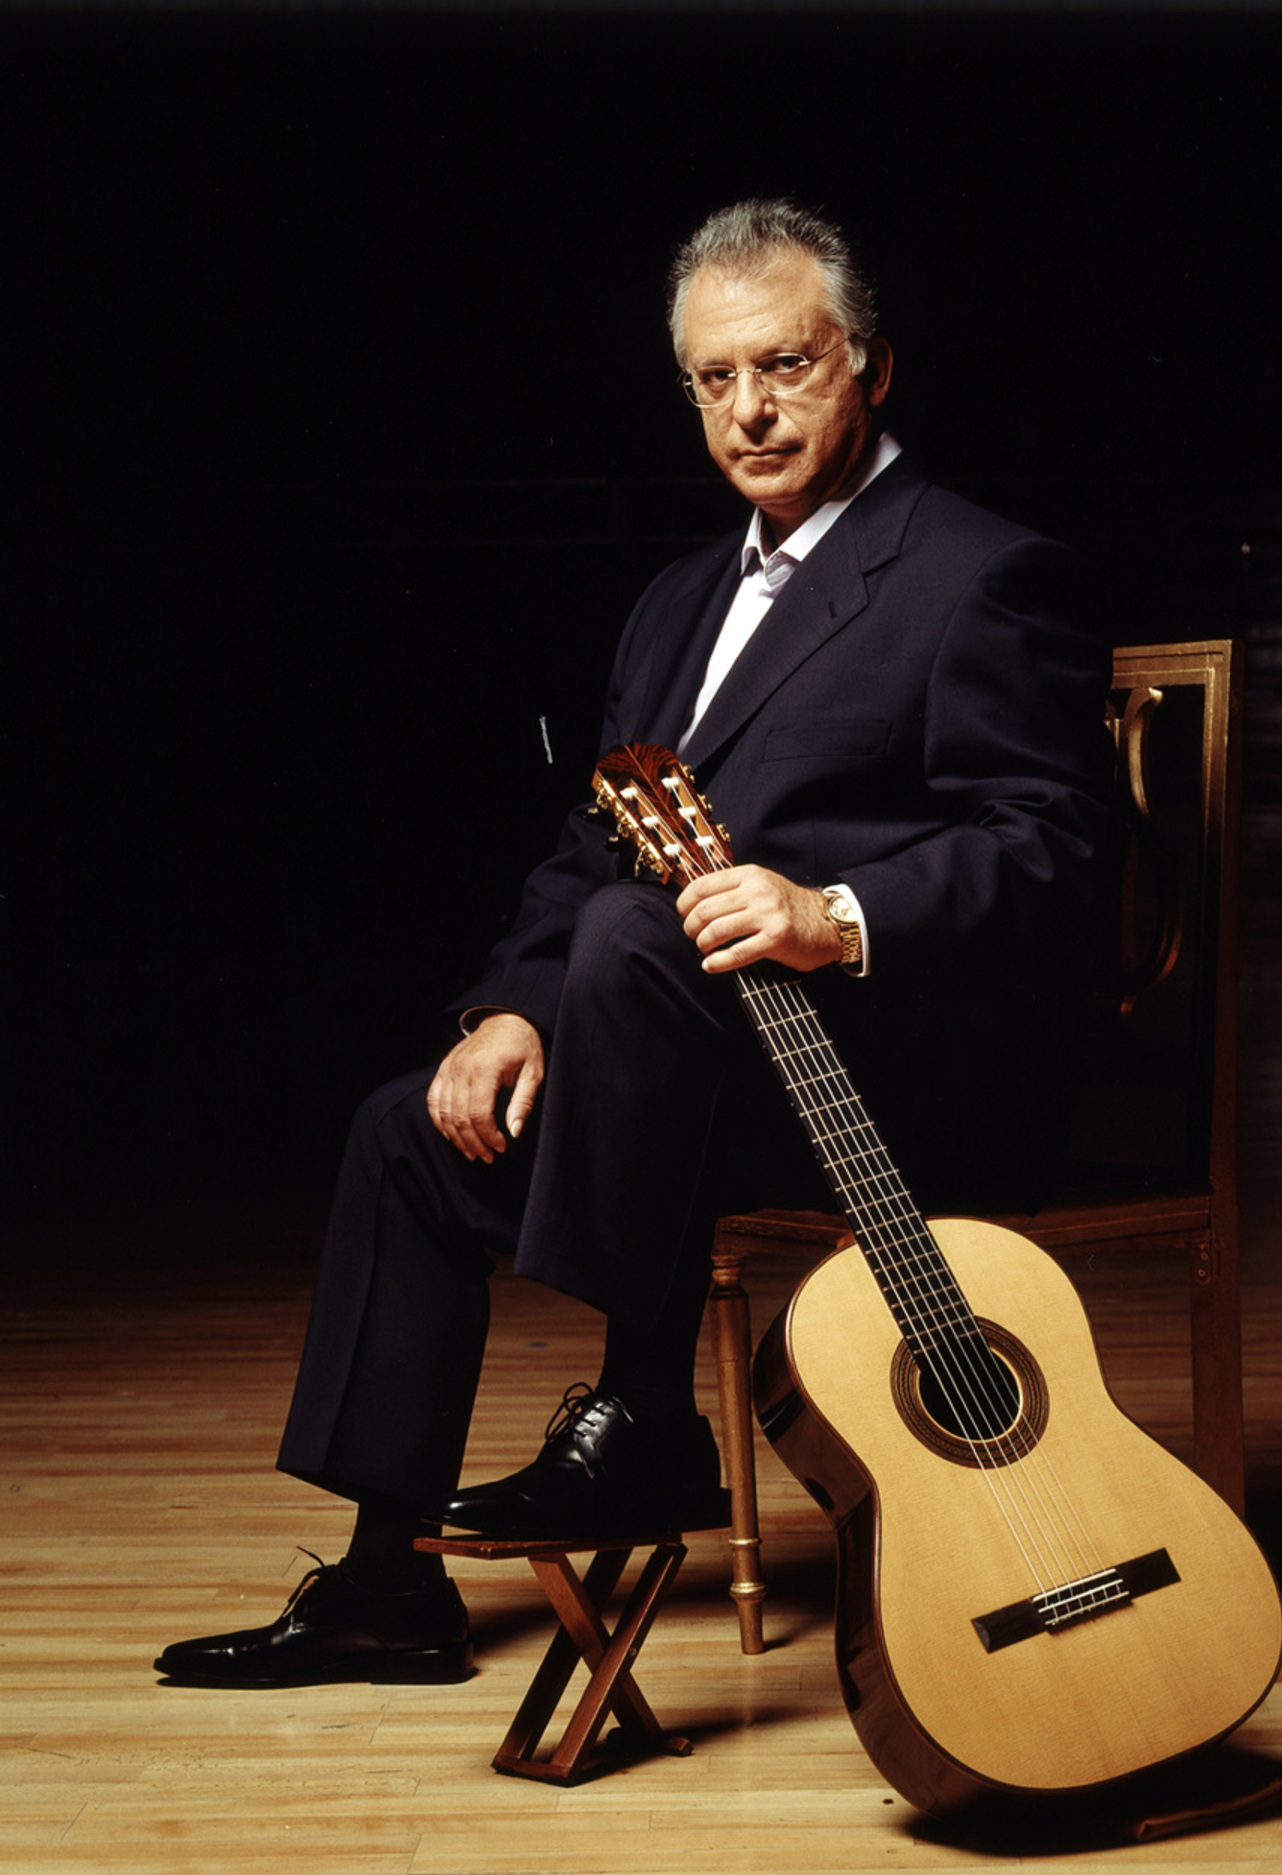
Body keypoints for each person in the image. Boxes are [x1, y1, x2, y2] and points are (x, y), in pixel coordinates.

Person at [155, 199, 1116, 1689]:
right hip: (682, 1081)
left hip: (890, 1086)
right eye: (713, 381)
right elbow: (590, 851)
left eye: (784, 367)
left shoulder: (981, 572)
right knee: (410, 1129)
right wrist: (510, 1015)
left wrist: (829, 915)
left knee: (633, 938)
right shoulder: (675, 605)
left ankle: (640, 1407)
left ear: (867, 365)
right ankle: (384, 1582)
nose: (749, 410)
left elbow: (1052, 848)